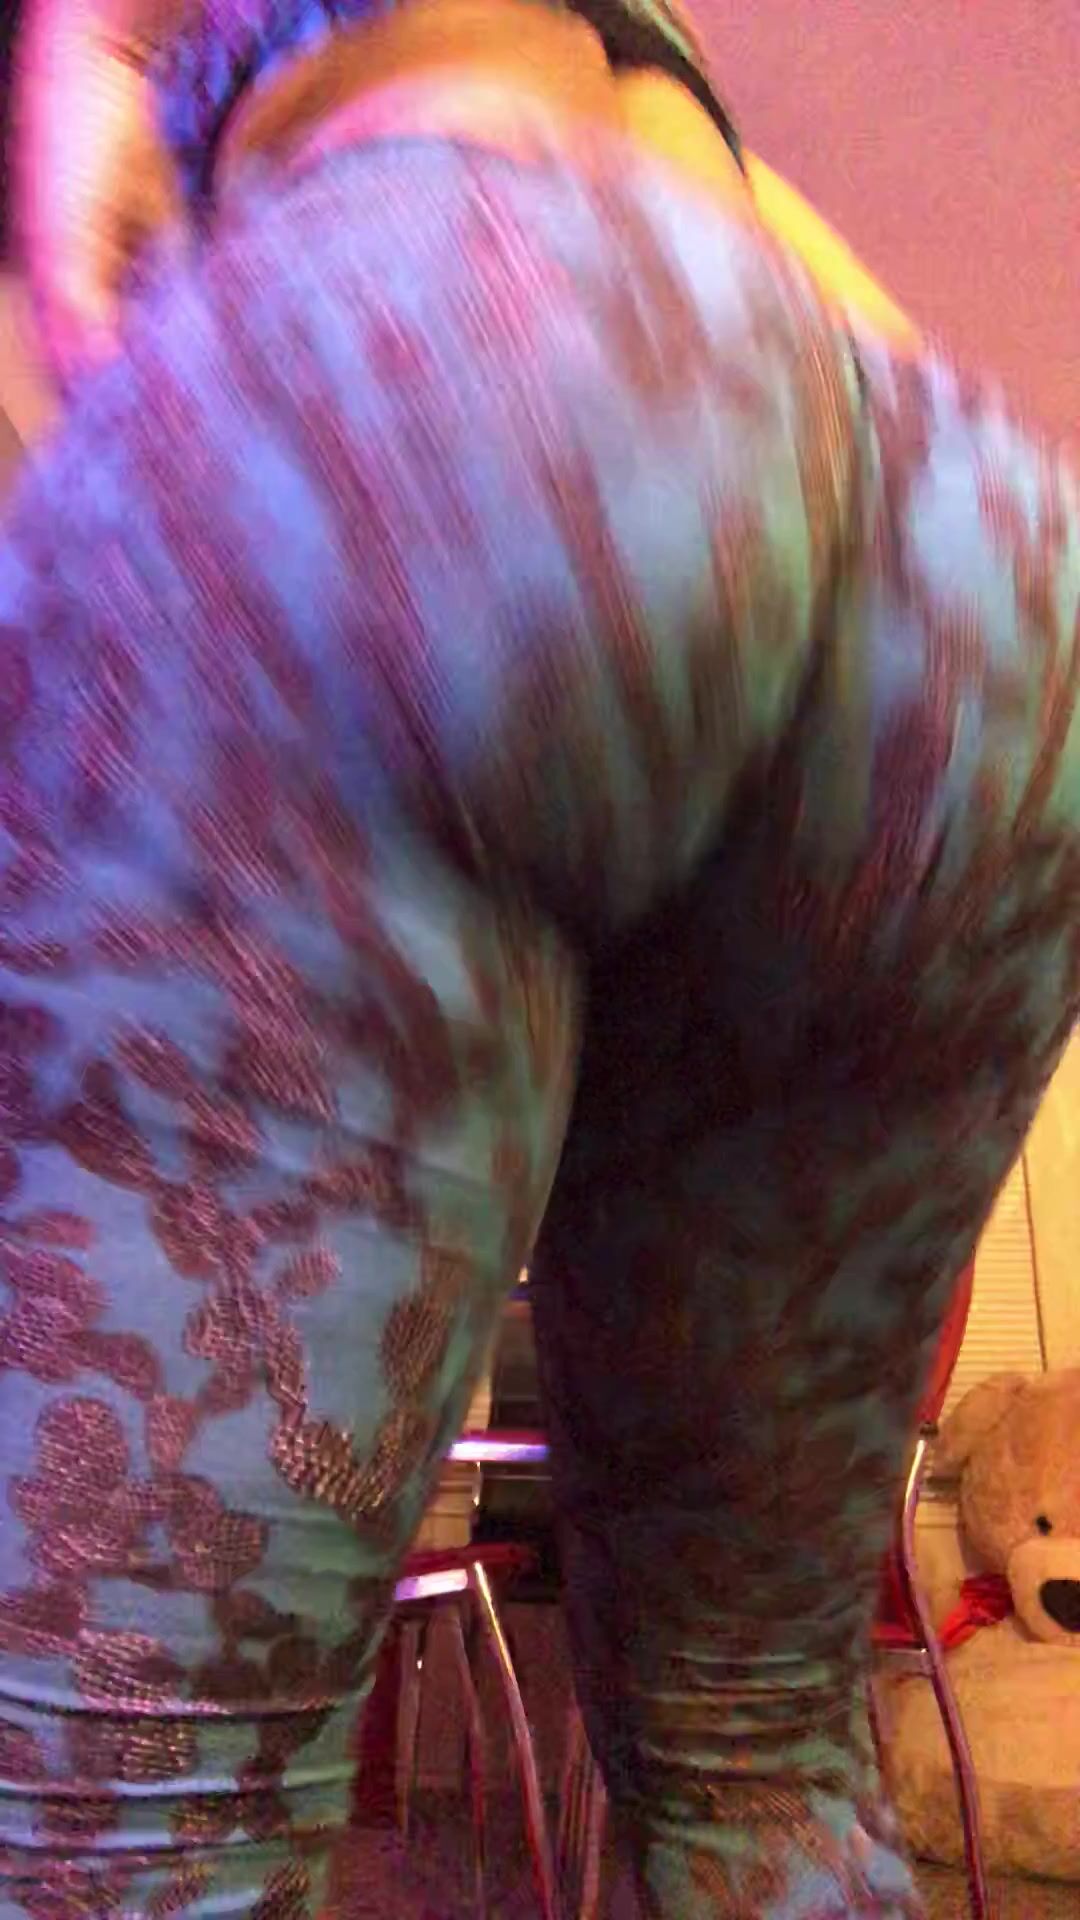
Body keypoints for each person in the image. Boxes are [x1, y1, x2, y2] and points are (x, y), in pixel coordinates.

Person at [2, 1, 1078, 1915]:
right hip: (978, 561)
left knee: (132, 1826)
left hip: (443, 365)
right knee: (756, 1747)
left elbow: (98, 301)